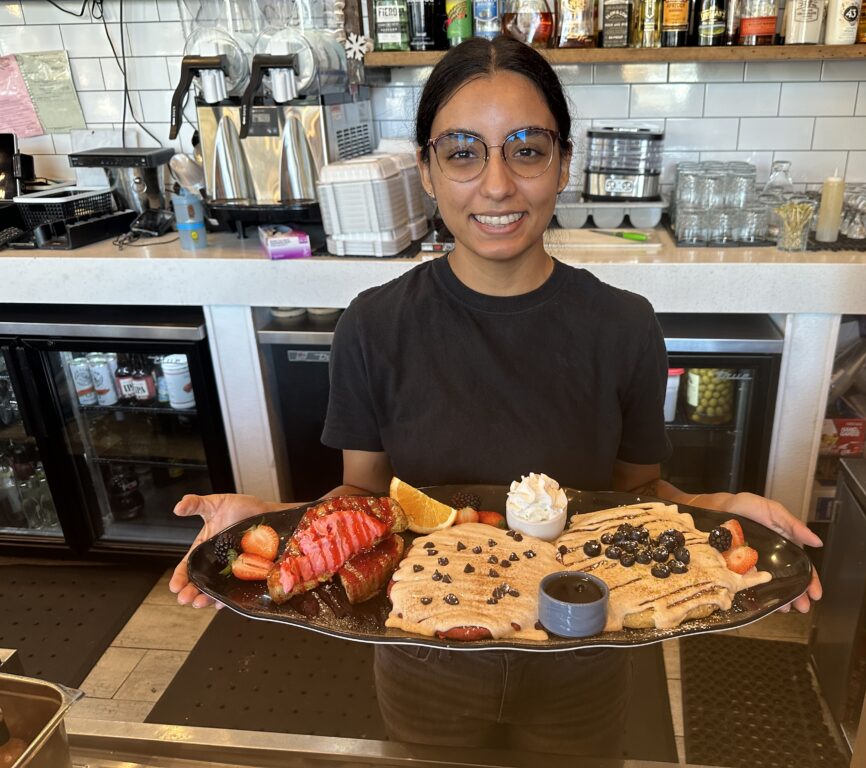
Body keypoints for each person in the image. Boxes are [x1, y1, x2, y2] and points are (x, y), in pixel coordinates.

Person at [169, 36, 821, 755]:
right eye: (463, 152)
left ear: (564, 163)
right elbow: (363, 499)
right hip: (424, 657)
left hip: (585, 653)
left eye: (527, 150)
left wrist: (719, 513)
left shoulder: (624, 325)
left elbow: (637, 500)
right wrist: (269, 522)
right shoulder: (375, 324)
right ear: (426, 170)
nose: (498, 185)